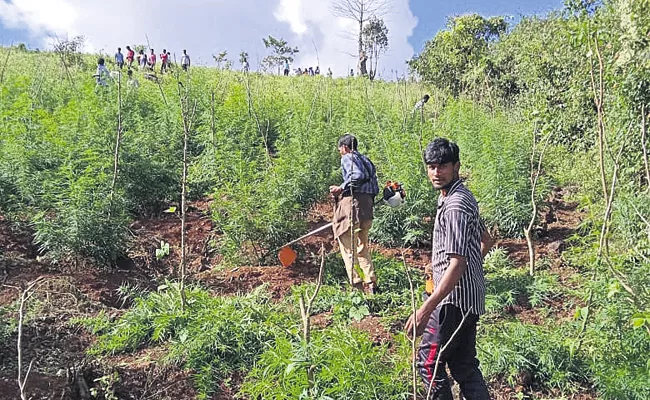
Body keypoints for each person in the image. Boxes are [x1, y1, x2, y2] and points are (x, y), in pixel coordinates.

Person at [405, 138, 493, 400]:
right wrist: (443, 266)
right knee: (463, 365)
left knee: (429, 364)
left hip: (451, 302)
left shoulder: (454, 205)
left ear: (456, 166)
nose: (435, 172)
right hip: (467, 298)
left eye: (442, 166)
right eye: (431, 166)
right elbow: (486, 240)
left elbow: (457, 263)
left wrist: (425, 308)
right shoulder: (460, 196)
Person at [329, 134, 380, 295]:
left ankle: (357, 287)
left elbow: (356, 175)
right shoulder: (366, 161)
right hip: (367, 210)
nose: (340, 153)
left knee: (348, 247)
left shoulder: (347, 157)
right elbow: (373, 186)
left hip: (353, 208)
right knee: (362, 247)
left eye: (340, 150)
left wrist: (341, 188)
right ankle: (372, 284)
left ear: (344, 147)